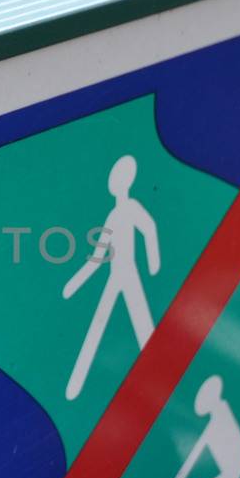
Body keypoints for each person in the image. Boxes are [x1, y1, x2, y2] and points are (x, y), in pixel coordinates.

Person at [62, 154, 161, 400]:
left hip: (131, 273)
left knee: (143, 326)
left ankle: (164, 378)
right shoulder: (113, 216)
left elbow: (149, 228)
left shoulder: (132, 207)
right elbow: (98, 256)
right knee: (99, 323)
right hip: (116, 274)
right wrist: (75, 283)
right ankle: (75, 383)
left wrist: (153, 264)